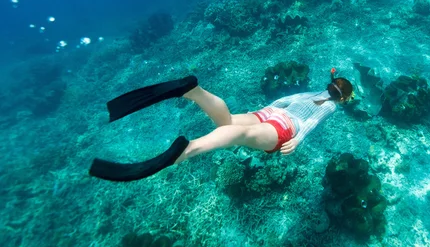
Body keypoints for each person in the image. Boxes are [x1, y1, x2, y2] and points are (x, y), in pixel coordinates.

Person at [89, 68, 354, 182]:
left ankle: (194, 91)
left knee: (227, 122)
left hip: (269, 112)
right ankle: (187, 150)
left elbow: (286, 99)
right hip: (285, 128)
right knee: (238, 133)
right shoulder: (330, 105)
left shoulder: (314, 92)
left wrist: (266, 110)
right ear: (341, 98)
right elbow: (312, 121)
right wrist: (297, 139)